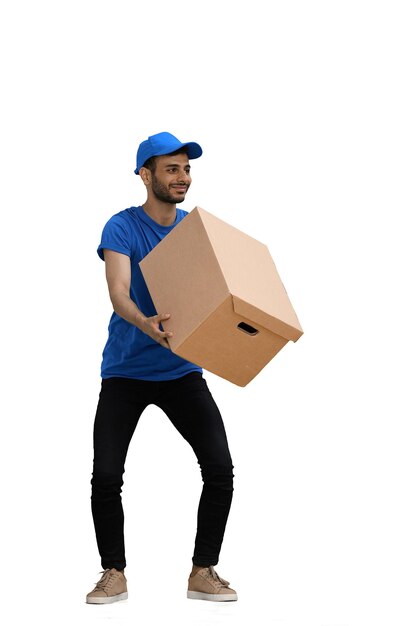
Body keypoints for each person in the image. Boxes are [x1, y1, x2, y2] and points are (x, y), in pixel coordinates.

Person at [86, 132, 237, 604]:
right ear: (145, 175)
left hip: (181, 372)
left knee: (220, 469)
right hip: (126, 371)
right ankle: (113, 572)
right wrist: (146, 324)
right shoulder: (122, 227)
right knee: (107, 475)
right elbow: (118, 289)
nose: (183, 178)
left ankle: (202, 570)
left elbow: (217, 292)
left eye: (186, 169)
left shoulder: (195, 229)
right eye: (172, 169)